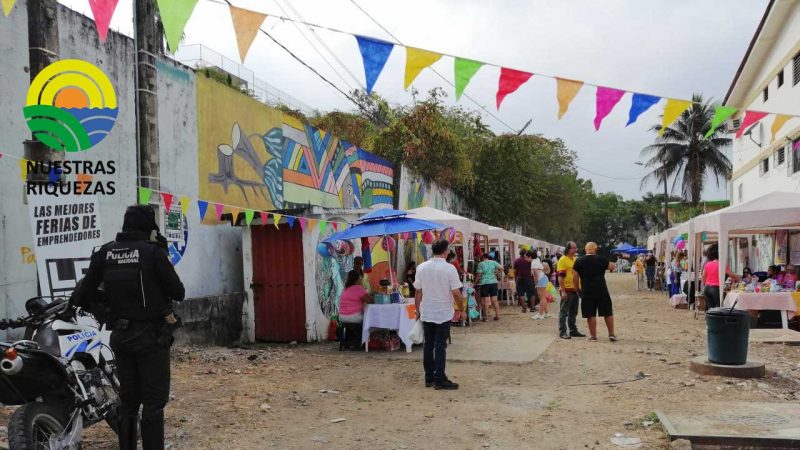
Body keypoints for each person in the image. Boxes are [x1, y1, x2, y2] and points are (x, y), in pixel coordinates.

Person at [72, 205, 185, 450]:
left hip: (121, 337)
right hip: (153, 338)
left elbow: (82, 296)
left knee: (128, 403)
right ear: (149, 227)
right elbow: (178, 292)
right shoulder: (153, 253)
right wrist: (163, 254)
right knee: (154, 405)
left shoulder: (105, 253)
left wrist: (108, 309)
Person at [414, 239, 463, 390]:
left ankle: (429, 377)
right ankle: (439, 378)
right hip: (443, 312)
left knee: (428, 345)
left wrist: (418, 310)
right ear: (445, 251)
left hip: (427, 311)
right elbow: (456, 293)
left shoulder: (421, 267)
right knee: (440, 345)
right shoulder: (449, 269)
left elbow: (418, 291)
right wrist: (461, 308)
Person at [573, 242, 617, 341]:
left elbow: (575, 278)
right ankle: (611, 334)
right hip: (601, 288)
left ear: (585, 249)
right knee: (607, 312)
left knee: (590, 313)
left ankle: (593, 336)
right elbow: (612, 267)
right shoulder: (601, 259)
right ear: (595, 249)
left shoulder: (578, 261)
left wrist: (577, 289)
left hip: (587, 290)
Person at [557, 242, 584, 339]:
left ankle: (573, 330)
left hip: (575, 289)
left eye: (576, 248)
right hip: (567, 290)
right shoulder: (562, 260)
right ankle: (562, 332)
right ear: (568, 249)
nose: (575, 249)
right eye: (574, 248)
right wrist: (563, 291)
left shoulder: (575, 259)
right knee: (563, 312)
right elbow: (560, 277)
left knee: (574, 312)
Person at [701, 243, 740, 309]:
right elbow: (732, 275)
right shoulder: (722, 265)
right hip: (716, 288)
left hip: (707, 288)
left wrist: (706, 285)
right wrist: (739, 278)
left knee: (710, 309)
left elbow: (703, 277)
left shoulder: (707, 264)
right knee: (719, 309)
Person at [476, 253, 503, 321]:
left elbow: (479, 275)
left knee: (485, 301)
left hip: (484, 283)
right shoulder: (494, 262)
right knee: (494, 300)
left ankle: (485, 317)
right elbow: (501, 268)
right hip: (494, 282)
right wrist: (496, 273)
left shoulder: (481, 264)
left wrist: (475, 282)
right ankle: (497, 315)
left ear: (483, 257)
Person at [531, 251, 552, 320]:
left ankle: (540, 314)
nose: (525, 259)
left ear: (530, 257)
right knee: (543, 297)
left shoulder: (534, 263)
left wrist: (536, 283)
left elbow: (535, 275)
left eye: (526, 257)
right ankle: (546, 313)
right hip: (544, 278)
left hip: (540, 280)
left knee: (542, 298)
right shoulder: (537, 261)